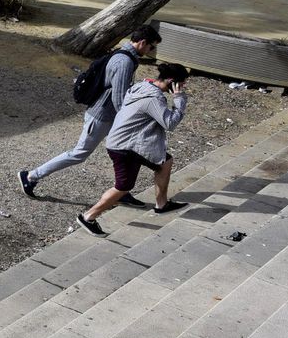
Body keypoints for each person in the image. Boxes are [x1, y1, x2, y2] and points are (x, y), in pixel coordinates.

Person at [19, 25, 162, 202]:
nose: (151, 51)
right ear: (142, 42)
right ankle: (31, 176)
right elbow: (118, 98)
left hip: (109, 115)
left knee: (126, 151)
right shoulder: (124, 62)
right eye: (151, 47)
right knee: (79, 153)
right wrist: (129, 119)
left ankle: (121, 191)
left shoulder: (126, 56)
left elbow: (118, 89)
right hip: (102, 116)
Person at [76, 63, 190, 235]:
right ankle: (88, 217)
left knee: (165, 162)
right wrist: (179, 100)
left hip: (127, 142)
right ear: (171, 81)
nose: (183, 87)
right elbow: (170, 123)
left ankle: (162, 204)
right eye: (181, 83)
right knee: (123, 186)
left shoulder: (143, 87)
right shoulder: (153, 98)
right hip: (126, 147)